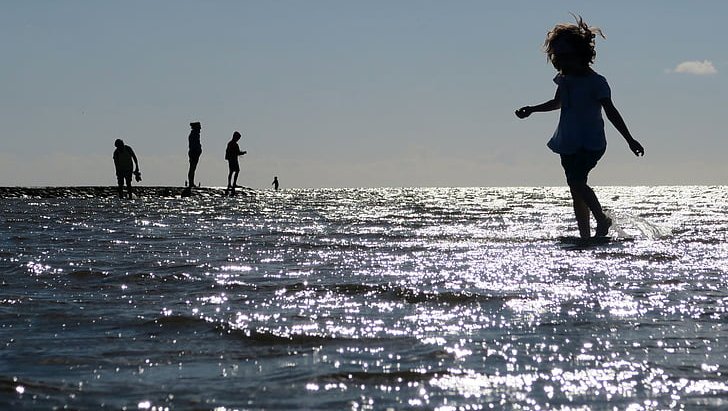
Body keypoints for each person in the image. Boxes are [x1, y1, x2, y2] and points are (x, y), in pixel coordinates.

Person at [515, 15, 644, 239]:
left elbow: (611, 111)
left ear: (581, 55)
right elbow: (557, 103)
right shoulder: (565, 80)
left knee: (577, 181)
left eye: (566, 56)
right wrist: (533, 109)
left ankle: (602, 221)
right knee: (575, 189)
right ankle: (585, 235)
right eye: (558, 56)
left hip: (591, 141)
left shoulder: (597, 82)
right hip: (568, 141)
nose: (562, 61)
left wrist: (630, 140)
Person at [224, 131, 247, 195]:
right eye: (238, 138)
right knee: (233, 171)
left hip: (233, 159)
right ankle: (231, 184)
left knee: (234, 171)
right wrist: (242, 153)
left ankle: (232, 184)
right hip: (232, 159)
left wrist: (241, 153)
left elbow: (237, 152)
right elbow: (236, 152)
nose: (238, 139)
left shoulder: (231, 143)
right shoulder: (232, 144)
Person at [186, 121, 202, 193]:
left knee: (193, 168)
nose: (200, 128)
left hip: (195, 152)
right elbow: (194, 145)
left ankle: (191, 182)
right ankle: (191, 182)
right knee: (192, 167)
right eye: (199, 127)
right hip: (193, 153)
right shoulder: (194, 134)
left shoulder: (195, 134)